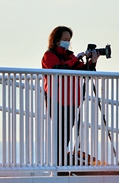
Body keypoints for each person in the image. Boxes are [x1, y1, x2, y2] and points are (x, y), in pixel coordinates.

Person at [42, 26, 99, 170]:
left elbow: (85, 71)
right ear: (56, 40)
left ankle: (61, 162)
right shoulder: (49, 55)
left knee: (66, 132)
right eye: (65, 39)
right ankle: (57, 163)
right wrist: (74, 59)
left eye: (69, 40)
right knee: (59, 132)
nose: (67, 42)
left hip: (72, 100)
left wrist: (92, 61)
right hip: (56, 99)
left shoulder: (69, 56)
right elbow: (57, 69)